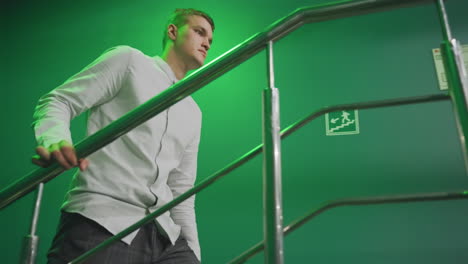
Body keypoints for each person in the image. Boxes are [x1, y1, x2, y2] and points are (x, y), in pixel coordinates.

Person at [31, 8, 214, 264]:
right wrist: (54, 139)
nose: (206, 42)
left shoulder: (194, 113)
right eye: (199, 32)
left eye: (210, 39)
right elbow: (58, 100)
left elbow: (182, 190)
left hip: (165, 237)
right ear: (173, 31)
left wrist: (193, 253)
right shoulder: (129, 61)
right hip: (101, 221)